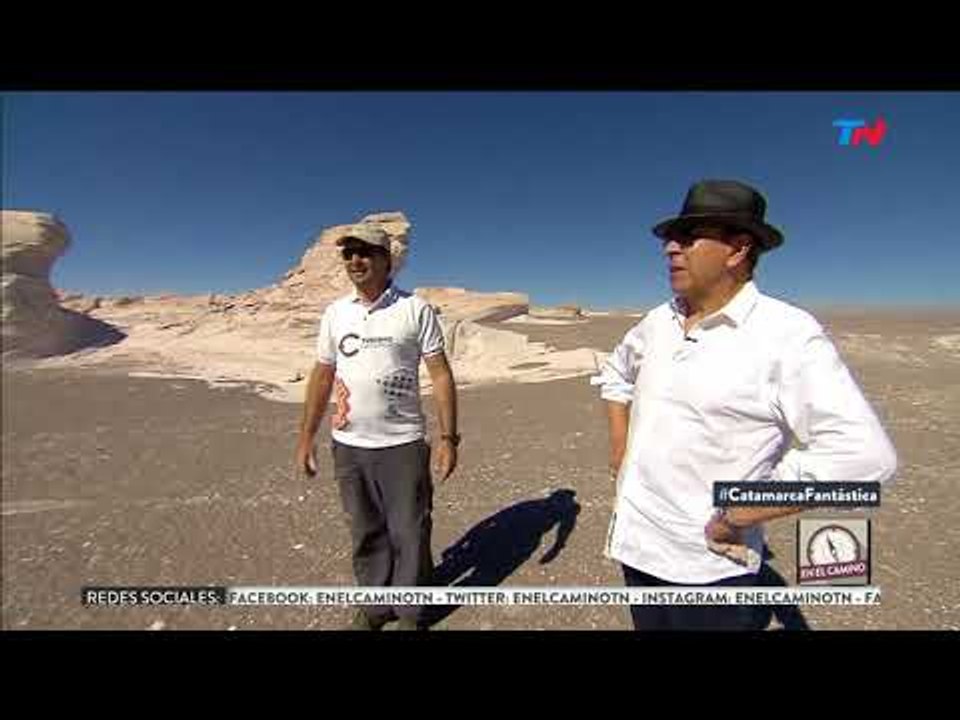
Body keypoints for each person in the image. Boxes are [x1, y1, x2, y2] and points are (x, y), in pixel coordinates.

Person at [592, 179, 897, 630]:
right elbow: (616, 375)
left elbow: (863, 456)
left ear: (737, 250)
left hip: (709, 570)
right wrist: (621, 449)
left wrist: (739, 514)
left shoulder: (785, 335)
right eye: (671, 239)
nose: (670, 249)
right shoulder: (659, 321)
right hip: (636, 546)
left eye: (689, 237)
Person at [295, 223, 459, 631]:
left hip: (401, 443)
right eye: (348, 253)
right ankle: (374, 605)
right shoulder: (336, 313)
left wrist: (448, 438)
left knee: (410, 530)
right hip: (348, 445)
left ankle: (411, 611)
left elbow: (440, 374)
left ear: (388, 261)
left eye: (365, 252)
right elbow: (322, 376)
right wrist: (305, 437)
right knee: (365, 531)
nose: (355, 260)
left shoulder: (414, 309)